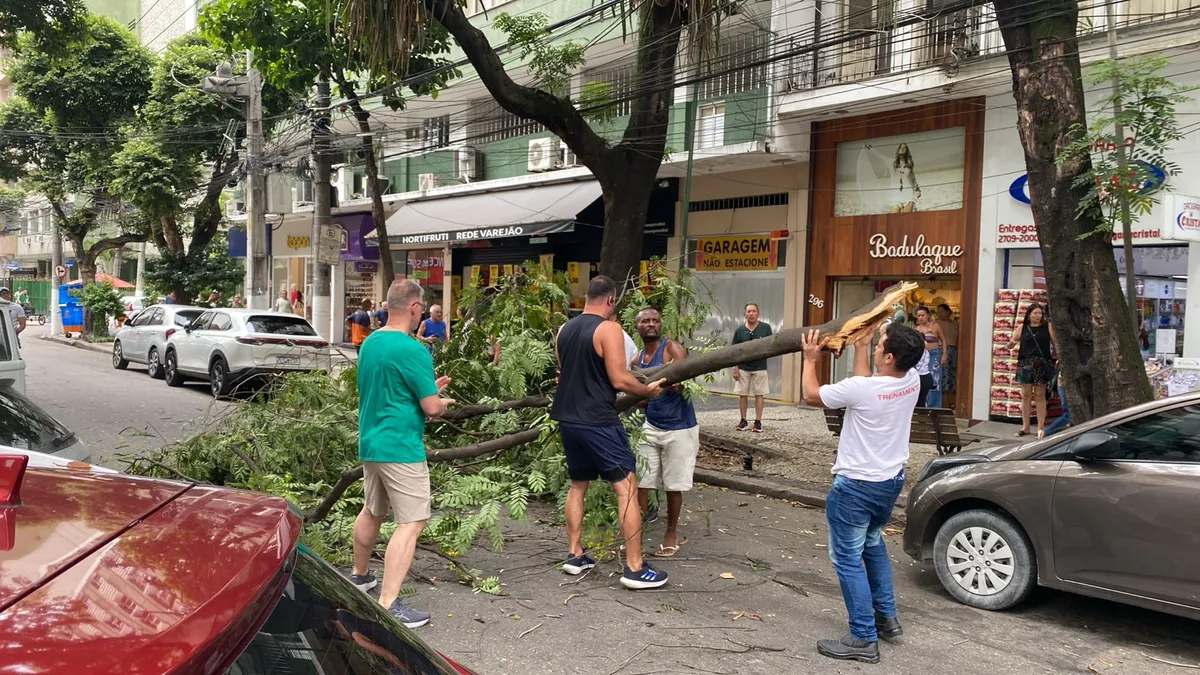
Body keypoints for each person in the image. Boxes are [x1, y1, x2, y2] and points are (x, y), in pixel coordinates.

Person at [801, 321, 925, 664]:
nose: (874, 347)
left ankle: (862, 637)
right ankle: (885, 617)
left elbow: (811, 395)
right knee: (871, 544)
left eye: (877, 345)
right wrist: (859, 347)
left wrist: (810, 359)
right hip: (888, 482)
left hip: (855, 487)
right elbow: (869, 382)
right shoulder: (911, 380)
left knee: (847, 559)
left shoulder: (861, 390)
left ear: (888, 357)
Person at [349, 279, 455, 629]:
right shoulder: (413, 350)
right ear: (413, 307)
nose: (422, 311)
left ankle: (359, 577)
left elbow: (391, 389)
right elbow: (431, 408)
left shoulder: (371, 343)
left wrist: (428, 390)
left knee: (372, 509)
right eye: (422, 306)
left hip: (372, 442)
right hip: (401, 447)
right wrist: (438, 400)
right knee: (411, 521)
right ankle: (389, 604)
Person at [551, 275, 668, 590]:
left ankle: (574, 554)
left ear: (587, 296)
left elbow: (563, 370)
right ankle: (634, 567)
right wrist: (647, 390)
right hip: (598, 419)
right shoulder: (608, 329)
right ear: (611, 300)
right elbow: (618, 379)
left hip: (567, 417)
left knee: (578, 485)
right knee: (626, 488)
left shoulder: (565, 330)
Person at [633, 307, 698, 557]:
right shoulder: (636, 360)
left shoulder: (672, 349)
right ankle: (634, 532)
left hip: (680, 427)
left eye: (655, 320)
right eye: (645, 321)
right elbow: (639, 399)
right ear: (636, 326)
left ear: (661, 325)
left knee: (673, 485)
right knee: (643, 482)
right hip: (651, 426)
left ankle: (671, 532)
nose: (651, 324)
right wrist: (642, 395)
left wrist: (672, 384)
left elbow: (685, 381)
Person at [1008, 302, 1057, 439]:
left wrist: (1058, 357)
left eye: (1040, 313)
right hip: (1025, 363)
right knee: (1026, 395)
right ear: (1029, 314)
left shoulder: (1047, 326)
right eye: (1035, 313)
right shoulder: (1022, 327)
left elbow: (1055, 342)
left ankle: (1040, 427)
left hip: (1041, 362)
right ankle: (1025, 427)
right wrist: (1010, 343)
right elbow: (1012, 343)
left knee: (1040, 395)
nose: (1038, 315)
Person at [731, 303, 773, 432]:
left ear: (758, 313)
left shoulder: (765, 328)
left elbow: (771, 345)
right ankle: (743, 420)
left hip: (760, 367)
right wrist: (735, 367)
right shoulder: (739, 330)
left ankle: (758, 421)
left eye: (754, 311)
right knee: (742, 394)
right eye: (749, 311)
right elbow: (734, 350)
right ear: (745, 314)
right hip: (743, 367)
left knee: (759, 394)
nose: (751, 313)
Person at [913, 306, 947, 408]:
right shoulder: (917, 329)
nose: (921, 317)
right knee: (922, 379)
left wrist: (944, 354)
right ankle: (923, 405)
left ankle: (935, 407)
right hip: (921, 356)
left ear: (928, 315)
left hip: (934, 354)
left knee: (935, 381)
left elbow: (943, 340)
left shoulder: (935, 326)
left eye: (923, 315)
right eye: (919, 316)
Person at [935, 303, 958, 402]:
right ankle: (942, 394)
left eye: (942, 311)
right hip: (941, 349)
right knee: (943, 371)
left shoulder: (955, 324)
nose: (939, 313)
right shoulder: (936, 324)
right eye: (938, 311)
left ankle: (951, 395)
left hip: (953, 349)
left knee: (952, 370)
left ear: (948, 312)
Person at [1044, 370, 1071, 435]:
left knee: (1068, 414)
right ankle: (1046, 431)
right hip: (1066, 383)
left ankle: (1046, 431)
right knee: (1068, 415)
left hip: (1064, 382)